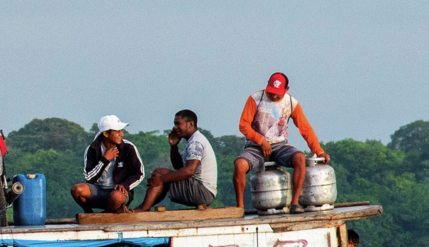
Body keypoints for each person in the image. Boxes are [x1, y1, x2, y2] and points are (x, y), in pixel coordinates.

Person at [232, 73, 328, 211]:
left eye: (278, 93)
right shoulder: (256, 99)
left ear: (286, 89)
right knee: (239, 165)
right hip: (256, 145)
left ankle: (295, 203)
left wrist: (319, 151)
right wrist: (261, 140)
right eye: (271, 92)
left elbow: (305, 128)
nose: (274, 96)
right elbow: (243, 125)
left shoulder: (291, 103)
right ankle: (239, 207)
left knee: (300, 158)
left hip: (279, 145)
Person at [136, 110, 219, 211]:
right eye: (174, 124)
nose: (175, 127)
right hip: (202, 190)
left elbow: (189, 171)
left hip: (203, 192)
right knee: (161, 175)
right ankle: (144, 207)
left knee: (159, 173)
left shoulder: (195, 142)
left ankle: (143, 208)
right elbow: (179, 167)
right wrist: (173, 146)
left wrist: (162, 179)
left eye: (178, 123)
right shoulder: (193, 140)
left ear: (190, 124)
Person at [71, 116, 145, 214]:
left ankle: (106, 214)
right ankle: (89, 214)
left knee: (116, 197)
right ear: (106, 133)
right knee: (77, 190)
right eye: (117, 131)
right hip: (98, 191)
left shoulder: (128, 148)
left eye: (121, 131)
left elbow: (139, 173)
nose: (121, 134)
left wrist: (125, 185)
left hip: (118, 193)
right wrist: (104, 159)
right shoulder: (92, 149)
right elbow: (88, 177)